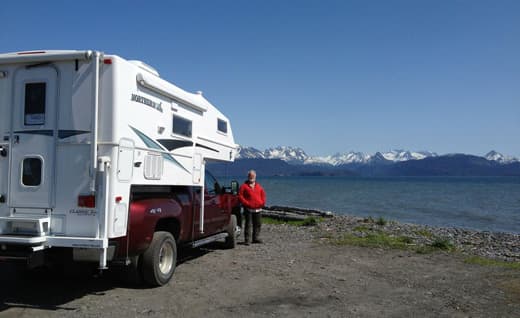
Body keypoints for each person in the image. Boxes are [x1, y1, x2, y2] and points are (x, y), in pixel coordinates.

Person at [238, 170, 266, 245]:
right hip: (248, 209)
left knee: (257, 224)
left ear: (255, 177)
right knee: (248, 224)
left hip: (258, 209)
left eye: (253, 176)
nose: (252, 177)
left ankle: (256, 238)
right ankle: (247, 240)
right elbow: (240, 196)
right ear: (248, 177)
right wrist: (246, 203)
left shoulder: (259, 186)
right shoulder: (243, 186)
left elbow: (263, 195)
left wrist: (262, 203)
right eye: (250, 176)